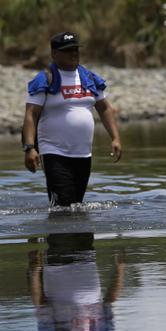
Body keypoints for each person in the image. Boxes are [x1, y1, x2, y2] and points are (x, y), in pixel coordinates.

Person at [22, 32, 122, 206]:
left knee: (76, 205)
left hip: (83, 153)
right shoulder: (45, 79)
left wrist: (115, 138)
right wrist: (29, 148)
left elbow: (104, 107)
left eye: (76, 49)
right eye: (68, 50)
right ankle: (56, 233)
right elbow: (31, 115)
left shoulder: (89, 78)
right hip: (54, 152)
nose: (73, 53)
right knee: (63, 206)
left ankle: (70, 234)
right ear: (54, 54)